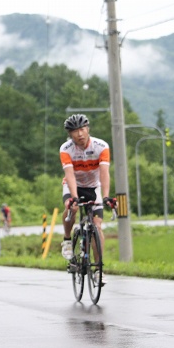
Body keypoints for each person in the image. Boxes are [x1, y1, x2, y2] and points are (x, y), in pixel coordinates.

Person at [59, 114, 117, 286]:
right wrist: (74, 198)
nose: (80, 134)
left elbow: (104, 173)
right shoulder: (66, 149)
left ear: (88, 129)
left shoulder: (101, 146)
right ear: (70, 134)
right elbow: (69, 175)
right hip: (73, 185)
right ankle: (67, 239)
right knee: (73, 209)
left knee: (97, 226)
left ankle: (99, 269)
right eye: (75, 131)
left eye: (82, 129)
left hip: (94, 187)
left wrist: (106, 196)